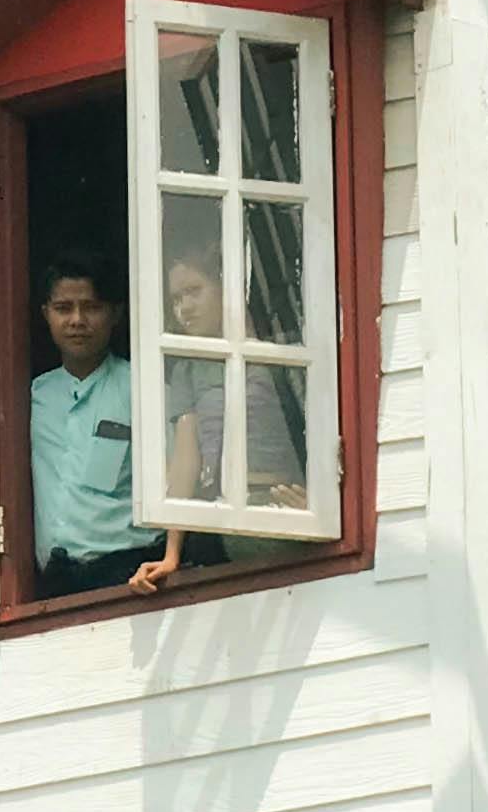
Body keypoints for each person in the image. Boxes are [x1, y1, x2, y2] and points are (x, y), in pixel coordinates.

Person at [141, 254, 307, 587]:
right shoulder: (188, 368)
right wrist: (172, 553)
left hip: (286, 507)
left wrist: (320, 503)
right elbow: (186, 461)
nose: (184, 306)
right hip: (224, 514)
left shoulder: (275, 351)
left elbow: (313, 425)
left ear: (224, 288)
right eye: (176, 299)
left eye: (194, 290)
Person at [29, 252, 180, 599]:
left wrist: (171, 556)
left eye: (91, 307)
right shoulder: (34, 396)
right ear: (46, 315)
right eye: (63, 308)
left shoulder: (143, 388)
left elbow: (179, 478)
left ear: (116, 313)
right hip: (55, 581)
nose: (77, 320)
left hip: (129, 572)